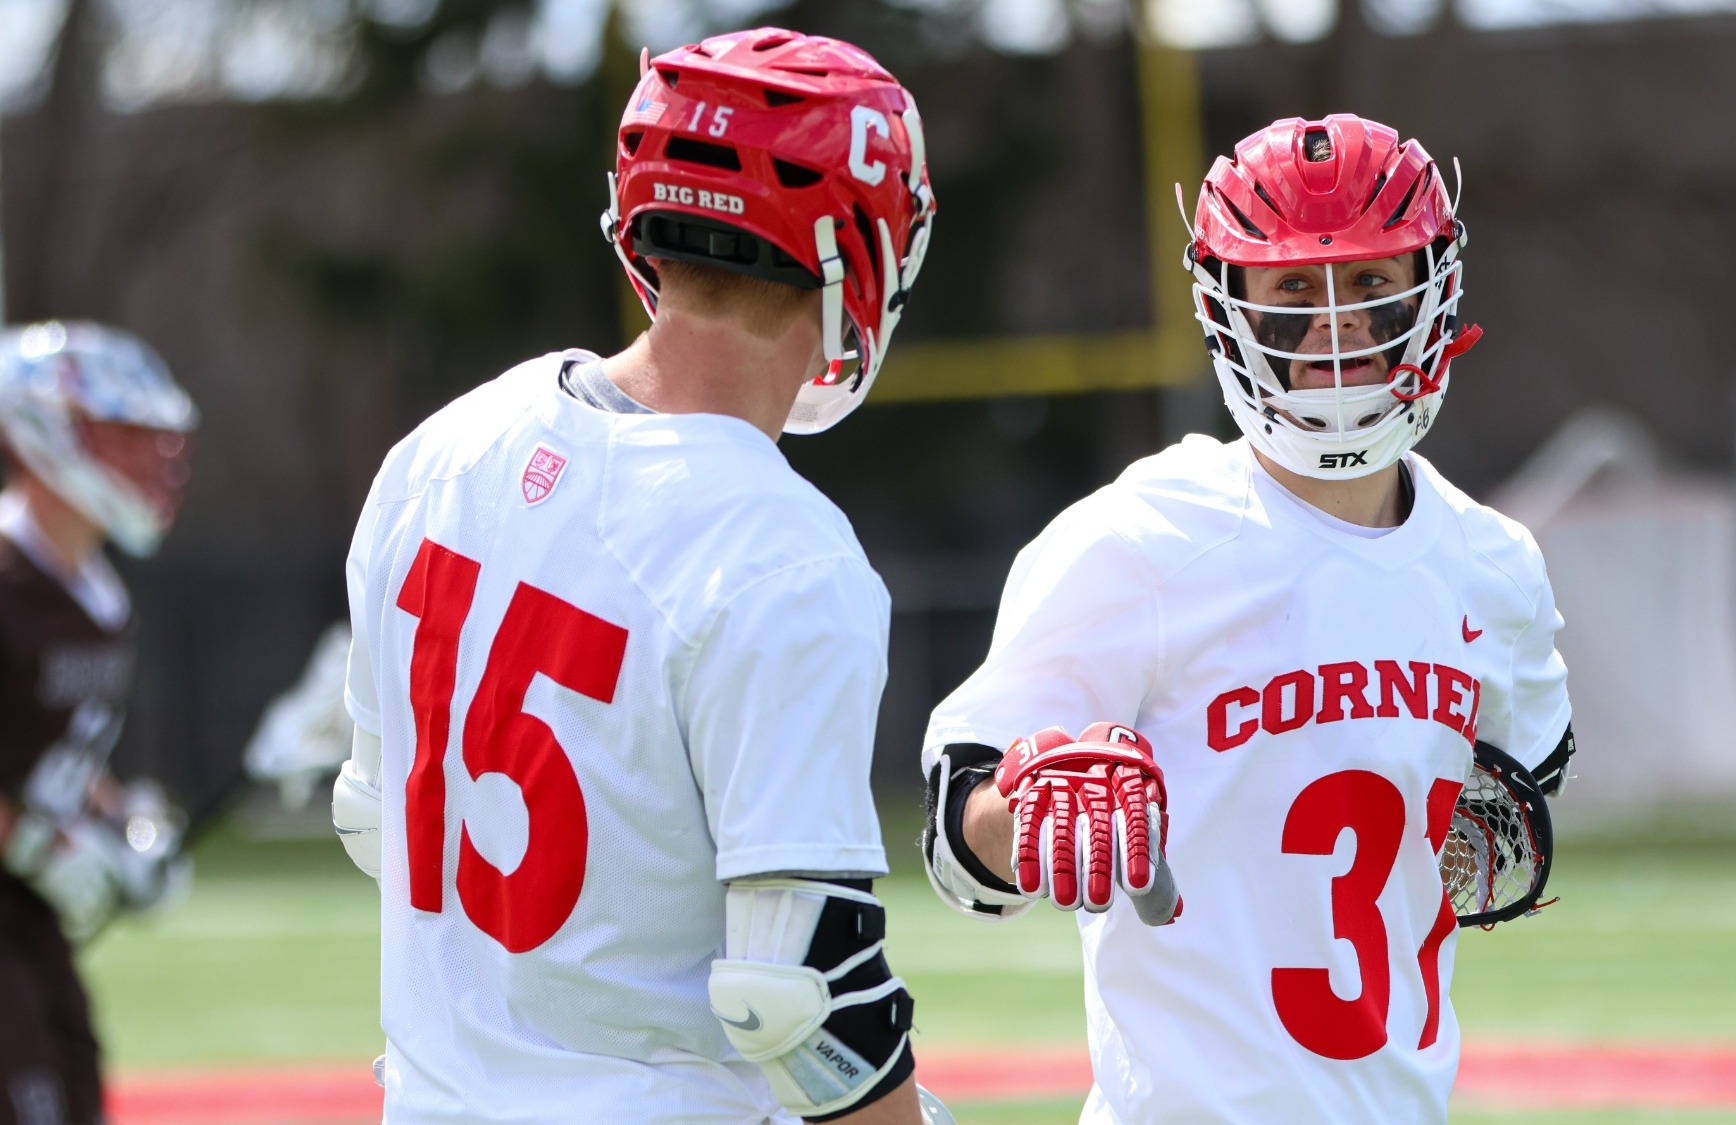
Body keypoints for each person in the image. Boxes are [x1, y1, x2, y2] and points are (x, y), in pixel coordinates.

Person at [331, 28, 942, 1125]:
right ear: (863, 245)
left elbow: (370, 817)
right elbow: (800, 997)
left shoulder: (441, 450)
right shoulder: (783, 553)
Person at [918, 114, 1576, 1123]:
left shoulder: (1491, 565)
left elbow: (1515, 793)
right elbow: (959, 831)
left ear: (1434, 291)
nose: (1335, 323)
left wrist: (1473, 838)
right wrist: (1035, 820)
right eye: (1289, 292)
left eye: (1367, 283)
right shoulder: (1140, 539)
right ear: (1227, 311)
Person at [0, 320, 197, 1125]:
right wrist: (34, 841)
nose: (155, 460)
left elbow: (57, 754)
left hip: (25, 914)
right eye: (125, 435)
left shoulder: (96, 596)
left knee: (76, 1087)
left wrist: (126, 824)